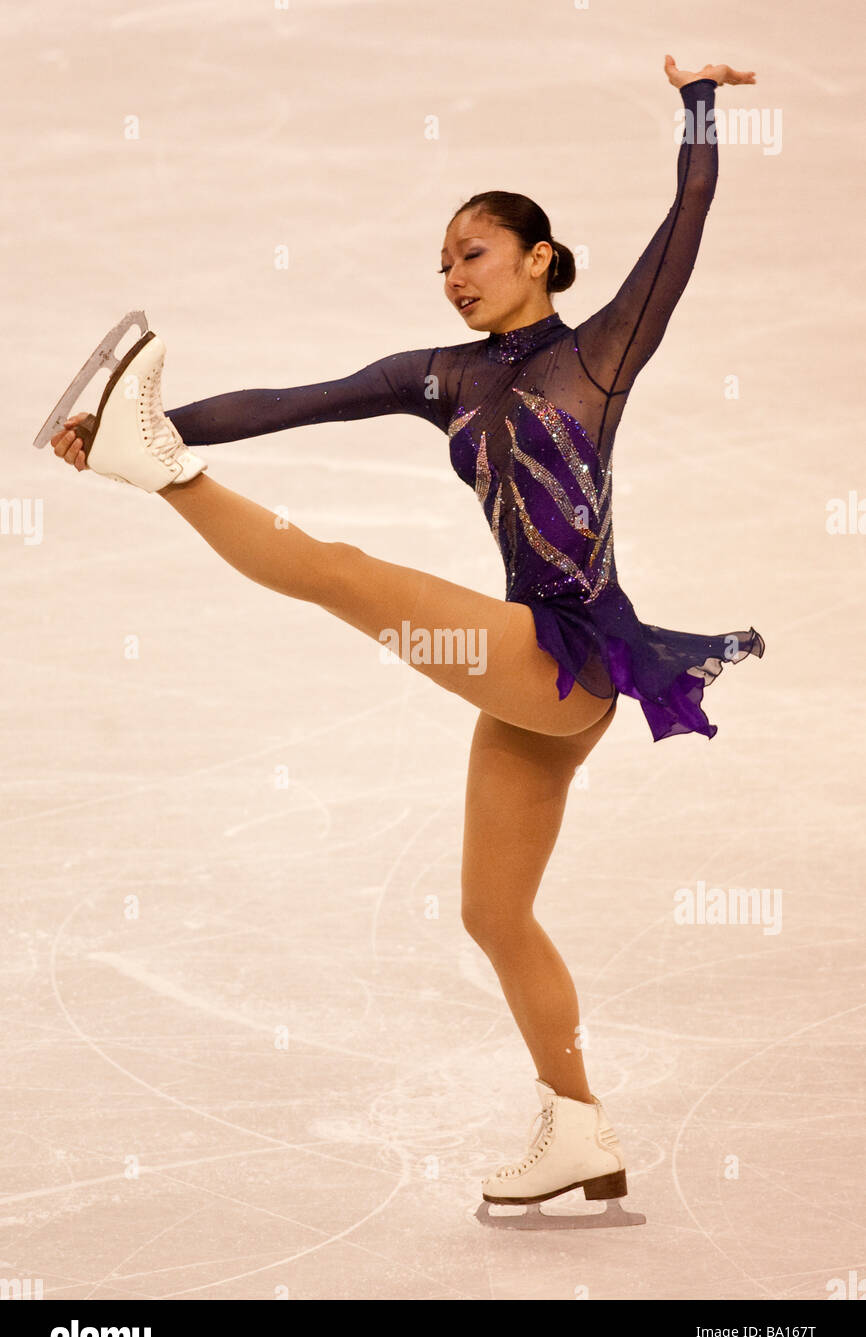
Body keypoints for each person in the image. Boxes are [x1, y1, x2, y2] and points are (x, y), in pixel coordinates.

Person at [49, 55, 762, 1208]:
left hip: (572, 652)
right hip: (527, 673)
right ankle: (577, 1124)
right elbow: (292, 403)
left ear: (537, 255)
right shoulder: (440, 377)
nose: (451, 277)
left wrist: (697, 104)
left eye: (472, 253)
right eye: (439, 263)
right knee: (492, 911)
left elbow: (686, 215)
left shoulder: (601, 352)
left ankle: (159, 474)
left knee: (343, 575)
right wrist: (144, 416)